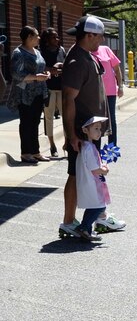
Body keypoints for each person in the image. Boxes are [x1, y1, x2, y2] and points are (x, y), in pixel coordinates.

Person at [60, 15, 125, 237]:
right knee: (75, 175)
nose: (102, 40)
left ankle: (100, 217)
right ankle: (69, 221)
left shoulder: (87, 56)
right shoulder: (77, 60)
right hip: (82, 132)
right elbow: (68, 99)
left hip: (91, 131)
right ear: (89, 35)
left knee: (90, 174)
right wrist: (71, 135)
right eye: (100, 35)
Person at [6, 26, 51, 163]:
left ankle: (35, 151)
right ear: (29, 37)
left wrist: (47, 73)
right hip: (24, 94)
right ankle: (26, 153)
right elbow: (15, 73)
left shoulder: (37, 52)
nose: (39, 38)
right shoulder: (18, 53)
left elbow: (41, 67)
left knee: (35, 122)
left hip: (37, 93)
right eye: (36, 35)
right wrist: (36, 77)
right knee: (26, 122)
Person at [73, 116, 112, 242]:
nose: (99, 132)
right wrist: (104, 170)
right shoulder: (89, 148)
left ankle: (86, 231)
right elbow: (94, 169)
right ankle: (83, 227)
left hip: (89, 183)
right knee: (99, 206)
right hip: (92, 184)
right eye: (95, 128)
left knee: (93, 206)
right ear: (85, 130)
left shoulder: (86, 146)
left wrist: (101, 166)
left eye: (99, 129)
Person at [40, 27, 66, 158]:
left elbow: (67, 64)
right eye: (54, 37)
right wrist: (52, 69)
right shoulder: (41, 51)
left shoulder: (61, 50)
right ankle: (52, 145)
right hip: (48, 88)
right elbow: (39, 67)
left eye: (57, 37)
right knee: (49, 116)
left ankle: (67, 142)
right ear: (47, 39)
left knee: (65, 116)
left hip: (62, 87)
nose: (57, 39)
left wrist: (61, 65)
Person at [93, 41, 124, 145]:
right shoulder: (87, 52)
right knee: (97, 121)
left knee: (111, 119)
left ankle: (112, 146)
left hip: (110, 91)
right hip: (95, 92)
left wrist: (120, 86)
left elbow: (117, 68)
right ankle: (96, 148)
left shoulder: (105, 49)